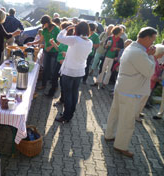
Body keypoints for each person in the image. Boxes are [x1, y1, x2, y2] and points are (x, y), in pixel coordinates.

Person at [104, 27, 157, 158]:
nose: (153, 43)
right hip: (131, 91)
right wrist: (151, 56)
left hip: (123, 87)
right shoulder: (139, 52)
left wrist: (148, 54)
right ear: (146, 38)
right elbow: (150, 72)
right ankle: (120, 145)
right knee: (127, 120)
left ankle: (109, 135)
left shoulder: (132, 48)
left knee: (115, 113)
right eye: (153, 39)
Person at [55, 22, 93, 123]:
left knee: (68, 94)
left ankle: (66, 116)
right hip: (79, 71)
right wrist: (67, 53)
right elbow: (80, 54)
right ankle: (70, 113)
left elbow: (59, 38)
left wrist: (66, 28)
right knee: (74, 93)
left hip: (69, 71)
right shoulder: (90, 42)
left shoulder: (75, 39)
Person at [27, 15, 60, 91]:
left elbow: (59, 41)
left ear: (48, 22)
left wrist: (51, 47)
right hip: (46, 52)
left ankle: (54, 85)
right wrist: (32, 42)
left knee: (53, 69)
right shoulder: (44, 30)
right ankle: (43, 85)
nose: (43, 25)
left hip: (54, 52)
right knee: (45, 68)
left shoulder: (56, 29)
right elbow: (40, 40)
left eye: (44, 23)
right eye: (43, 24)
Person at [136, 44, 164, 121]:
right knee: (142, 99)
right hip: (148, 84)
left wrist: (161, 67)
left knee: (144, 99)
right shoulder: (153, 60)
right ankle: (136, 114)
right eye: (163, 53)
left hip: (150, 84)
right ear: (160, 53)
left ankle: (139, 112)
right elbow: (152, 76)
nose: (163, 55)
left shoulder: (155, 60)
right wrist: (159, 79)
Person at [49, 21, 73, 103]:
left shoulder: (71, 40)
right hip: (59, 62)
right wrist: (53, 43)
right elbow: (59, 49)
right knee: (54, 78)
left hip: (64, 65)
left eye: (62, 29)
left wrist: (65, 58)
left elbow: (72, 54)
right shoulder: (64, 39)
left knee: (63, 84)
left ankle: (62, 99)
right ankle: (51, 93)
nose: (61, 31)